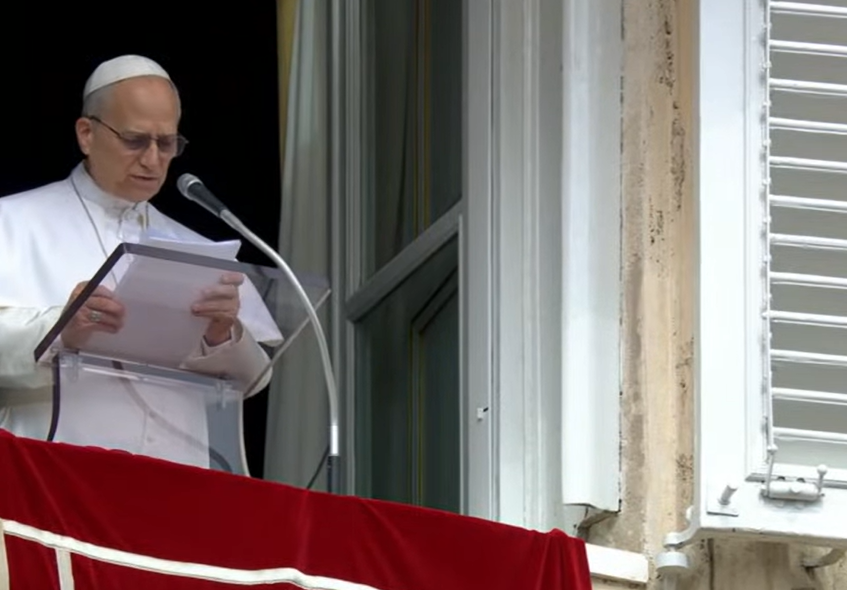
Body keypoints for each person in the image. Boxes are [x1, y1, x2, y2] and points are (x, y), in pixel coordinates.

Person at [0, 55, 280, 470]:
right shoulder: (12, 222)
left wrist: (222, 335)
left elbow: (254, 380)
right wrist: (61, 329)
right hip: (50, 480)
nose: (153, 160)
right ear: (86, 134)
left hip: (174, 483)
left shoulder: (196, 248)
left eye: (166, 143)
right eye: (135, 140)